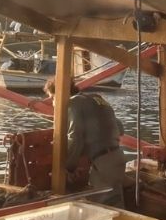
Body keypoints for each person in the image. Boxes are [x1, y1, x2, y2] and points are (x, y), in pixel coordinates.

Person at [44, 78, 126, 208]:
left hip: (103, 163)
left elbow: (75, 138)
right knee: (116, 202)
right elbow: (120, 129)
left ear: (58, 94)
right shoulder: (97, 98)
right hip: (118, 157)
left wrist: (68, 167)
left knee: (103, 208)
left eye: (52, 98)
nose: (53, 103)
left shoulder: (72, 103)